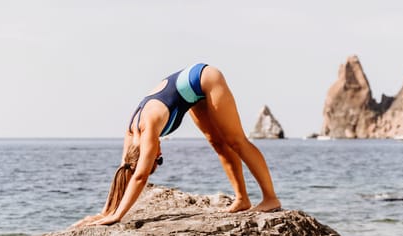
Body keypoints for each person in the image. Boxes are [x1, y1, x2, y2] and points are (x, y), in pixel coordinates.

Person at [74, 63, 281, 227]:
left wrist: (118, 216)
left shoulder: (148, 128)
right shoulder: (131, 136)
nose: (160, 152)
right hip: (191, 94)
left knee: (236, 140)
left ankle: (271, 199)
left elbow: (140, 176)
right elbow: (125, 172)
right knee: (217, 143)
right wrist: (106, 211)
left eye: (158, 158)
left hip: (204, 77)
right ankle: (242, 199)